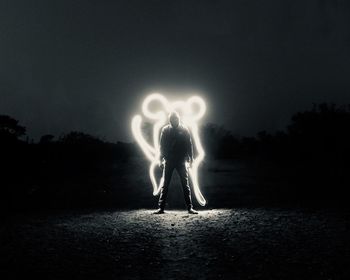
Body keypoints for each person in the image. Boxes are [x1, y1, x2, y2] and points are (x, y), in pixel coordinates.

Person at [153, 111, 198, 214]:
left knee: (185, 184)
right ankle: (161, 208)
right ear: (170, 120)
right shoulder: (165, 130)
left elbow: (189, 144)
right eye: (172, 119)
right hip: (169, 160)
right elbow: (162, 146)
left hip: (181, 160)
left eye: (176, 119)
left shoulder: (184, 129)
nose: (174, 121)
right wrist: (160, 159)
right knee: (165, 184)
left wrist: (191, 158)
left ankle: (189, 207)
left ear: (178, 119)